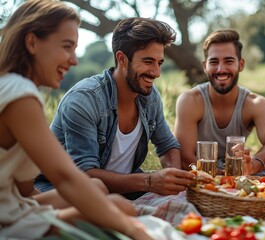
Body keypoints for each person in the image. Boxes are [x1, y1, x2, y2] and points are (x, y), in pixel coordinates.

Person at [0, 0, 152, 238]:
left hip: (17, 207)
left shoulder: (8, 86)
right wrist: (130, 227)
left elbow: (24, 192)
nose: (74, 60)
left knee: (101, 192)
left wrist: (71, 209)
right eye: (67, 46)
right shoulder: (20, 94)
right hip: (8, 222)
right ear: (32, 42)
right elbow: (65, 177)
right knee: (118, 212)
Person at [34, 17, 196, 200]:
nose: (156, 73)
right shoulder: (84, 100)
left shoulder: (150, 96)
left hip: (124, 191)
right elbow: (85, 173)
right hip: (63, 190)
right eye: (148, 62)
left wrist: (172, 180)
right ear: (122, 59)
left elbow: (167, 146)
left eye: (159, 63)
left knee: (188, 203)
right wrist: (149, 182)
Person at [174, 29, 265, 177]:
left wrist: (253, 165)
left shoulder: (256, 103)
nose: (221, 69)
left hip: (238, 168)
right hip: (202, 168)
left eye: (228, 61)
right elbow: (185, 156)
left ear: (241, 64)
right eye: (214, 62)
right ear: (205, 66)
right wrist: (218, 176)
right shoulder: (190, 100)